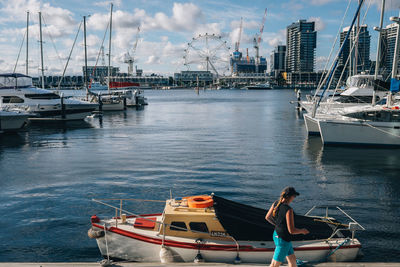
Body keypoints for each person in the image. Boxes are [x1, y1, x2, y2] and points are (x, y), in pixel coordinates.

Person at [265, 187, 309, 267]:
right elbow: (291, 230)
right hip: (283, 240)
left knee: (293, 262)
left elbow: (267, 217)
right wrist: (302, 231)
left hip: (276, 235)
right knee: (274, 265)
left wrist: (277, 225)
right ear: (289, 197)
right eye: (294, 196)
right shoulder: (289, 210)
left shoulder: (276, 203)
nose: (294, 198)